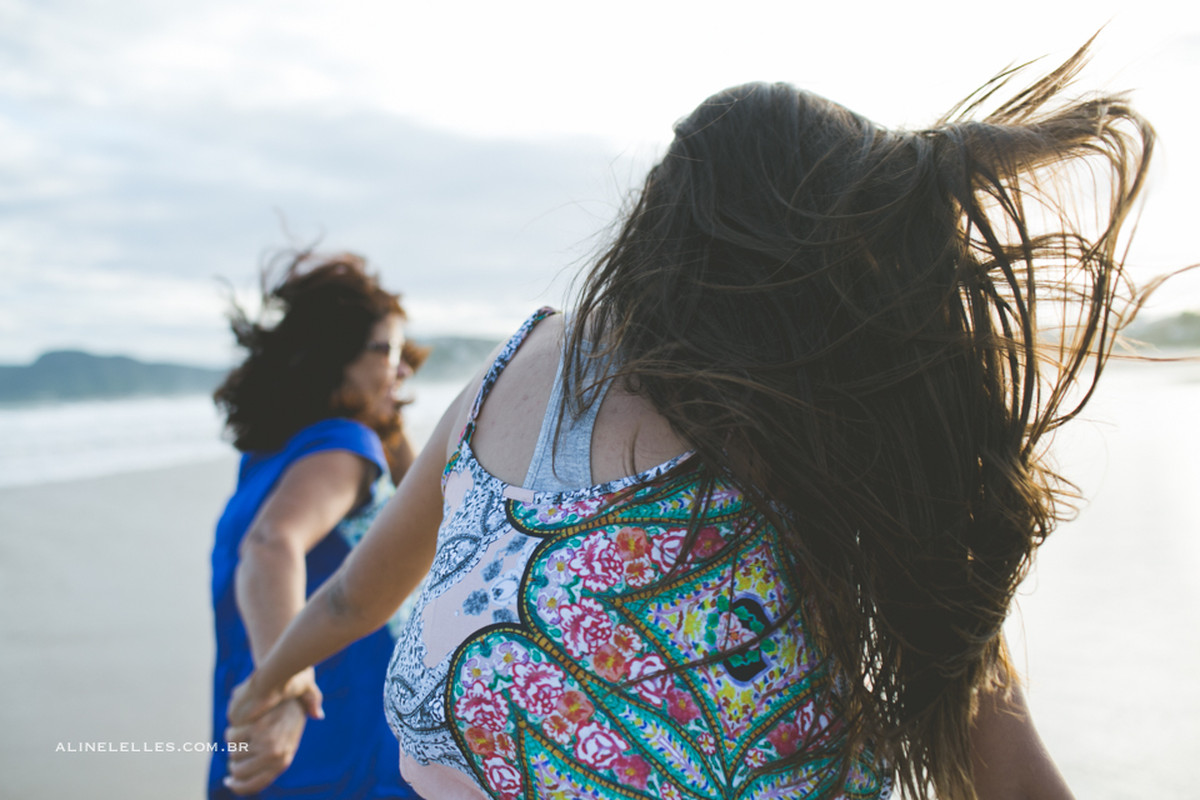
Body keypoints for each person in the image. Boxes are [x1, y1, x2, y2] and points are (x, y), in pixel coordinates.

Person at [226, 43, 1156, 800]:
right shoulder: (798, 431)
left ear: (663, 220)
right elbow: (358, 593)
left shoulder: (531, 380)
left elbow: (356, 593)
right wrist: (272, 679)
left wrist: (271, 679)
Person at [210, 251, 426, 798]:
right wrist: (285, 686)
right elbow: (270, 545)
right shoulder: (345, 444)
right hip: (324, 725)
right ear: (336, 358)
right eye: (387, 352)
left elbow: (429, 496)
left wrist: (386, 413)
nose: (401, 371)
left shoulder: (272, 454)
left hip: (258, 719)